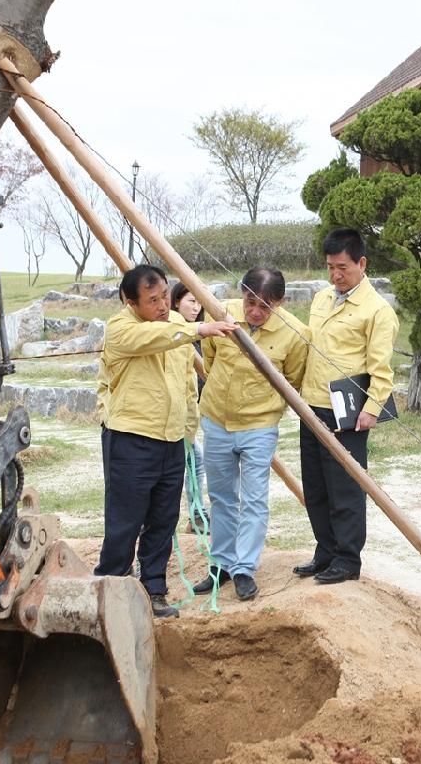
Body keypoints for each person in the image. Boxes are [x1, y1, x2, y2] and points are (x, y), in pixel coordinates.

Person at [95, 264, 237, 618]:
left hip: (172, 440)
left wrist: (189, 431)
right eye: (151, 300)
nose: (161, 306)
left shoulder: (175, 326)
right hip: (131, 439)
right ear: (130, 302)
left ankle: (153, 590)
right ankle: (110, 586)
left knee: (163, 519)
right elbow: (152, 338)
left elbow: (187, 385)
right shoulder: (121, 329)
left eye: (163, 297)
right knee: (125, 520)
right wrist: (199, 329)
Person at [191, 267, 309, 602]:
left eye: (265, 306)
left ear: (280, 303)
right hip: (216, 420)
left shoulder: (295, 333)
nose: (255, 311)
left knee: (254, 499)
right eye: (250, 301)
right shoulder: (221, 314)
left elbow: (293, 379)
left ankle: (244, 568)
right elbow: (210, 360)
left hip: (259, 426)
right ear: (242, 293)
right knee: (222, 496)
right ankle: (222, 565)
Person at [294, 228, 399, 585]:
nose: (336, 275)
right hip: (311, 405)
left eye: (343, 267)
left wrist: (371, 409)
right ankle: (324, 552)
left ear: (362, 263)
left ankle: (347, 558)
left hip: (347, 411)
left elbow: (381, 368)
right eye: (330, 267)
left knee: (345, 487)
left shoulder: (377, 311)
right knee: (316, 486)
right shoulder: (322, 298)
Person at [171, 281, 208, 530]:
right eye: (190, 301)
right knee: (191, 461)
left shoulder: (198, 334)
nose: (196, 307)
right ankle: (196, 515)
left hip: (192, 414)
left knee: (194, 460)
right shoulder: (174, 332)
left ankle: (197, 515)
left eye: (199, 302)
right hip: (176, 415)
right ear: (176, 301)